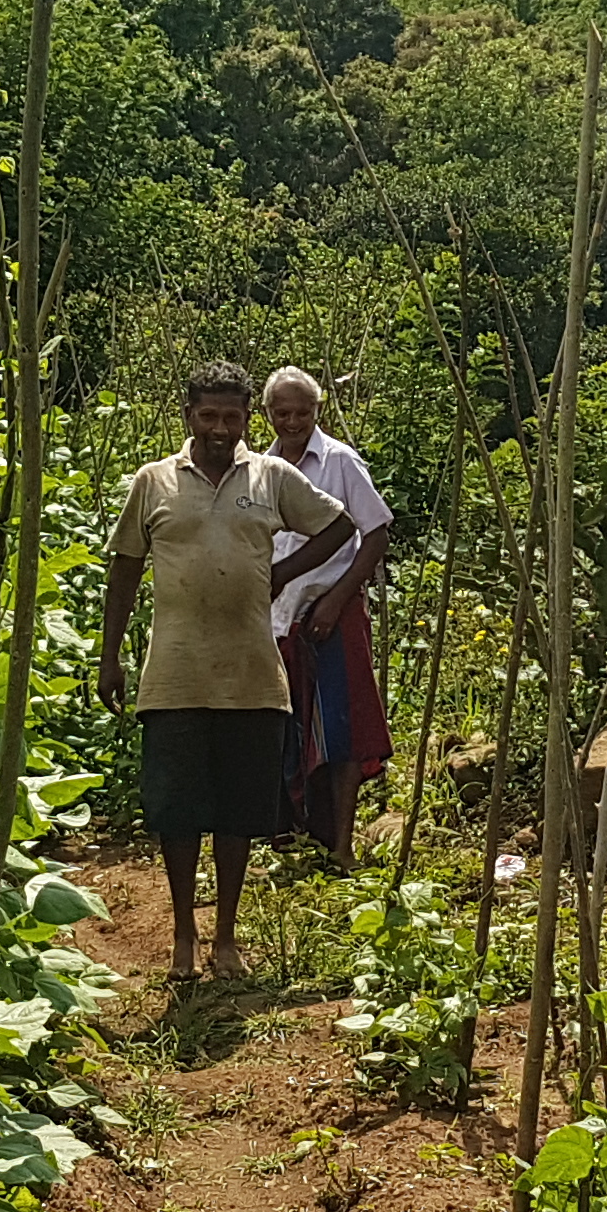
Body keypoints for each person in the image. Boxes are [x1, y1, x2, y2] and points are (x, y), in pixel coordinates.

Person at [98, 359, 355, 982]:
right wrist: (110, 656)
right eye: (208, 416)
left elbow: (340, 526)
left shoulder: (270, 476)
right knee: (177, 812)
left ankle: (226, 938)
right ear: (188, 416)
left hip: (251, 675)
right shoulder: (154, 482)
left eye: (231, 418)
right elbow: (125, 568)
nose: (219, 428)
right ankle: (184, 932)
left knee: (240, 812)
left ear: (246, 421)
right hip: (174, 673)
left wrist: (282, 575)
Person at [260, 366, 393, 866]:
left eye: (302, 412)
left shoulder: (340, 462)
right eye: (282, 412)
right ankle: (292, 840)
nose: (292, 421)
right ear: (268, 414)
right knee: (284, 730)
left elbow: (375, 532)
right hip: (277, 619)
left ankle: (341, 846)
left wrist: (337, 599)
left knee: (341, 731)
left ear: (318, 411)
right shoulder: (259, 468)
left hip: (331, 614)